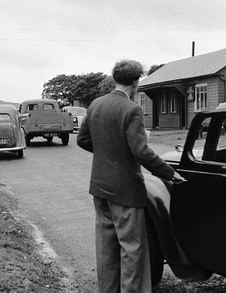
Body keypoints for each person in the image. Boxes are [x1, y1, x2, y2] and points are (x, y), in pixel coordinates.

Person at [77, 59, 185, 293]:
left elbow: (82, 140)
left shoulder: (96, 104)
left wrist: (109, 153)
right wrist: (169, 173)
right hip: (125, 190)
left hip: (100, 187)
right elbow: (141, 151)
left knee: (107, 248)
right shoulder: (132, 109)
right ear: (135, 83)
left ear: (117, 79)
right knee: (132, 249)